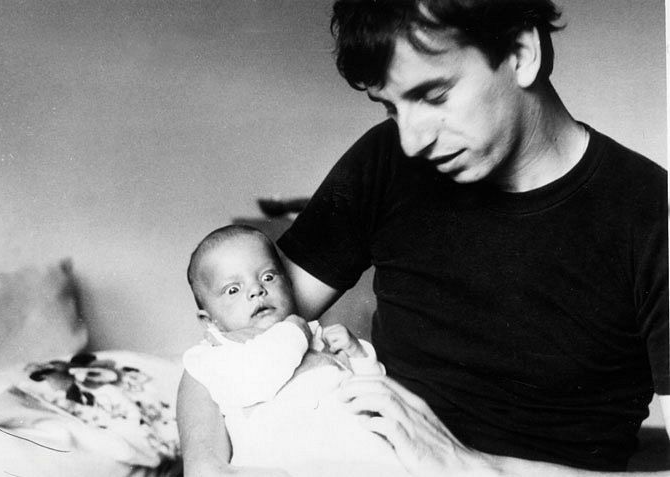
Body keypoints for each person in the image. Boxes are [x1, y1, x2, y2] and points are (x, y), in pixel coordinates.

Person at [178, 1, 669, 475]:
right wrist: (204, 463)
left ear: (522, 53)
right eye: (391, 108)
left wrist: (474, 467)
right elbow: (224, 348)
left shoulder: (654, 217)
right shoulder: (385, 161)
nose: (412, 140)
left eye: (434, 97)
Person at [180, 224, 407, 476]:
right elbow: (260, 379)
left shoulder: (319, 339)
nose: (256, 290)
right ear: (209, 320)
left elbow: (376, 399)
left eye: (268, 277)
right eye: (233, 289)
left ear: (288, 284)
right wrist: (294, 331)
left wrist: (359, 356)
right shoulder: (214, 358)